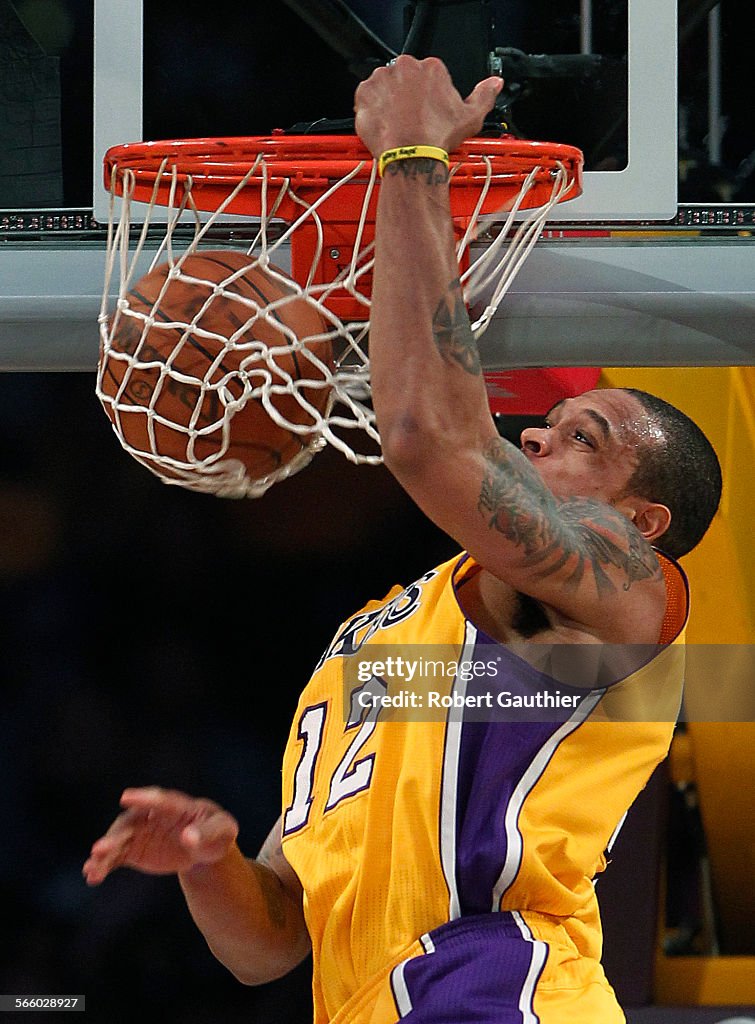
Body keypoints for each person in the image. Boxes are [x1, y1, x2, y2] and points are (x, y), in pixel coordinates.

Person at [83, 57, 723, 1024]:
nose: (538, 431)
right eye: (548, 425)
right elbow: (269, 947)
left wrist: (416, 159)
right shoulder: (375, 639)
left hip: (503, 998)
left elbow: (429, 438)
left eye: (583, 436)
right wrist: (209, 862)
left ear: (641, 523)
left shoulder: (628, 589)